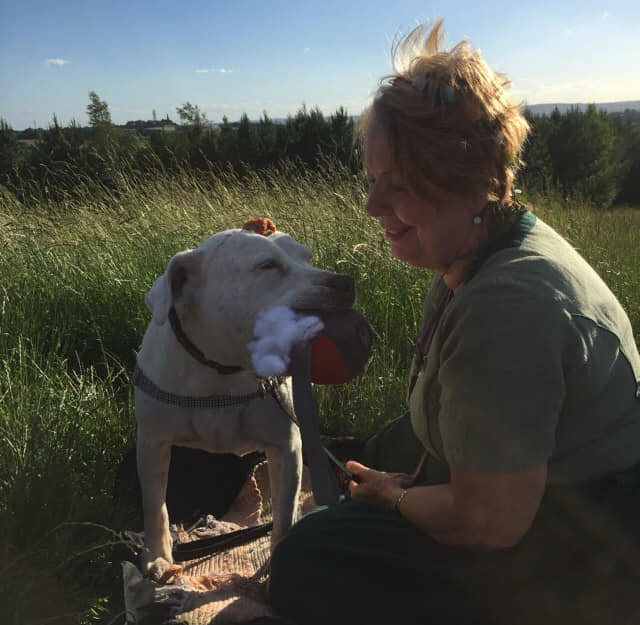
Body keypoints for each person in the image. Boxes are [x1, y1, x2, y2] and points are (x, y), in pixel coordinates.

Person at [268, 20, 640, 625]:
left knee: (307, 558)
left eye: (400, 185)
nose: (371, 207)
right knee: (375, 451)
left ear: (471, 181)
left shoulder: (506, 308)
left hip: (585, 531)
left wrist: (396, 497)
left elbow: (490, 521)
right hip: (546, 489)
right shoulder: (487, 249)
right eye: (371, 181)